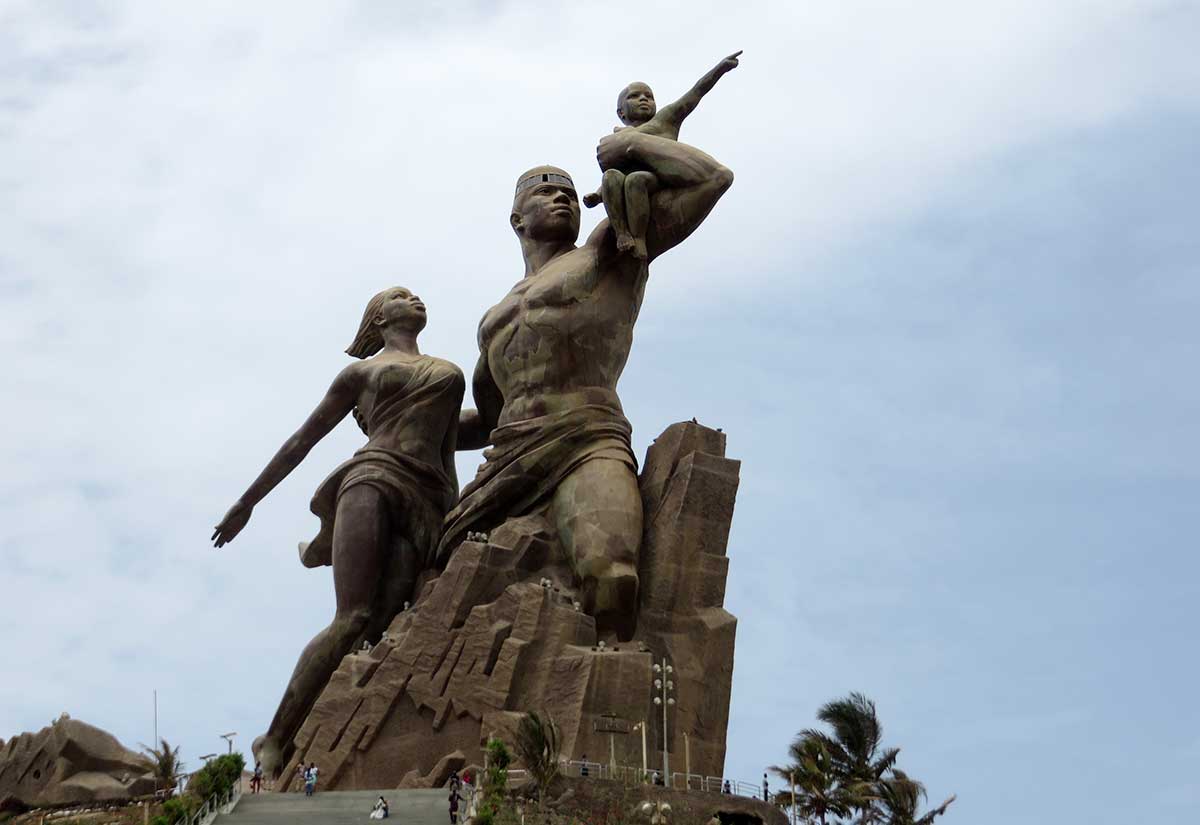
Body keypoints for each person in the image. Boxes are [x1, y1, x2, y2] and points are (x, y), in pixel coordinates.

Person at [441, 92, 736, 641]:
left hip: (587, 441)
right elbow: (487, 419)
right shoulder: (494, 318)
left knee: (613, 576)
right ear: (516, 219)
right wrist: (403, 429)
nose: (563, 199)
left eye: (572, 194)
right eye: (546, 192)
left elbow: (712, 179)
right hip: (506, 458)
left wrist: (633, 143)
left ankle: (602, 680)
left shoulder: (609, 249)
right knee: (435, 588)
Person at [213, 287, 465, 778]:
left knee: (386, 625)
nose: (415, 299)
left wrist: (452, 516)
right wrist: (248, 502)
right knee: (353, 617)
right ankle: (276, 737)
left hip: (428, 498)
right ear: (379, 319)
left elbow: (449, 448)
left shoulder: (449, 373)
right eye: (401, 296)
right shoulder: (361, 374)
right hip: (372, 478)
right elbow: (302, 440)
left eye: (415, 294)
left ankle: (339, 735)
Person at [581, 51, 741, 259]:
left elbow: (694, 94)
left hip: (654, 179)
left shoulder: (664, 120)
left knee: (636, 180)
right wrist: (598, 194)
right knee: (611, 176)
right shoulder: (617, 137)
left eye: (649, 96)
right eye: (634, 96)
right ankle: (622, 233)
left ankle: (638, 238)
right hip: (622, 182)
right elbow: (616, 170)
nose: (643, 99)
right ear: (621, 113)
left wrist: (719, 69)